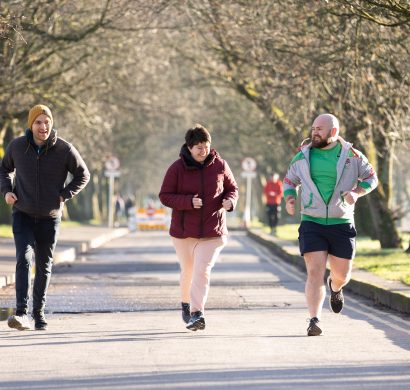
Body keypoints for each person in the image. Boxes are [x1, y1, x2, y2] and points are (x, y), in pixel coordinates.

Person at [283, 113, 378, 336]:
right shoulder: (302, 157)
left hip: (341, 222)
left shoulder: (352, 156)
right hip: (311, 221)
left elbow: (371, 178)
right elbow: (289, 180)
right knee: (314, 272)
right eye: (313, 128)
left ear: (333, 132)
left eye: (320, 129)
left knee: (342, 275)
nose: (314, 132)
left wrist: (357, 191)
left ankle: (335, 288)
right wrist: (289, 197)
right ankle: (314, 320)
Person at [0, 104, 90, 331]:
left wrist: (65, 195)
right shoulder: (18, 147)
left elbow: (83, 174)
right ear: (31, 125)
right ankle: (21, 313)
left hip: (50, 217)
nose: (43, 126)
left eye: (47, 121)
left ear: (52, 123)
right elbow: (3, 170)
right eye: (38, 122)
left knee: (44, 265)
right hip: (23, 214)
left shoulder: (64, 149)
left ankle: (38, 313)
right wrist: (7, 191)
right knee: (24, 258)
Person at [159, 124, 238, 331]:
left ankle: (197, 313)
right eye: (198, 147)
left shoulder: (220, 165)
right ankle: (186, 304)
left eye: (206, 146)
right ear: (189, 147)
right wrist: (187, 202)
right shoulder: (177, 168)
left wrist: (230, 201)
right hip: (184, 232)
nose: (203, 151)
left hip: (213, 230)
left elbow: (232, 188)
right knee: (188, 271)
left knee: (202, 271)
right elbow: (165, 196)